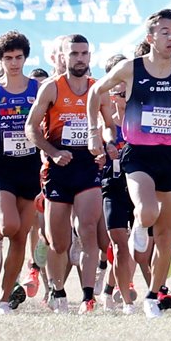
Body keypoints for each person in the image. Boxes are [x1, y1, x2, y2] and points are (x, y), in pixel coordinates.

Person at [88, 10, 171, 319]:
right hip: (139, 155)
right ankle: (140, 223)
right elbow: (95, 91)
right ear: (150, 38)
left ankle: (152, 295)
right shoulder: (130, 68)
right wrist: (94, 132)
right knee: (147, 211)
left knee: (165, 236)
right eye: (164, 32)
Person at [28, 35, 103, 313]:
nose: (80, 58)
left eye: (84, 53)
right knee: (58, 241)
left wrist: (103, 143)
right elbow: (31, 128)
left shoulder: (98, 89)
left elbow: (108, 125)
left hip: (88, 165)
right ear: (64, 56)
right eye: (74, 54)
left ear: (89, 57)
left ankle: (87, 298)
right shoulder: (51, 88)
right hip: (58, 167)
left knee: (88, 231)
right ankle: (57, 291)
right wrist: (52, 151)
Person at [0, 31, 42, 312]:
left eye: (19, 57)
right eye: (8, 58)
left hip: (30, 165)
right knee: (8, 226)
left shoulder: (38, 88)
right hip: (1, 165)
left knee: (21, 235)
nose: (14, 63)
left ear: (25, 58)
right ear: (0, 60)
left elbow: (47, 125)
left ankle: (3, 298)